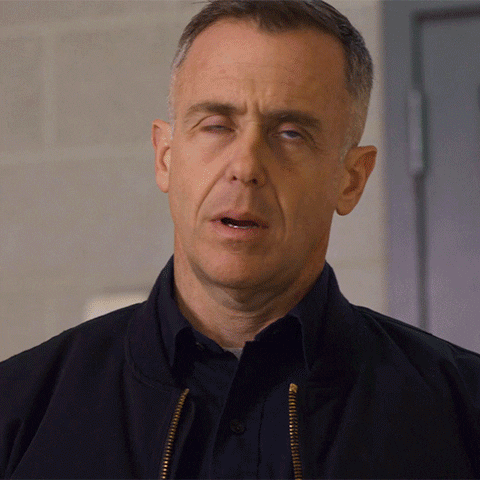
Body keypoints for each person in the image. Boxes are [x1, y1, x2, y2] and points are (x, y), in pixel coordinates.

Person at [1, 0, 479, 478]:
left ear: (351, 179)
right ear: (166, 157)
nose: (246, 166)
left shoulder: (464, 414)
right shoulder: (17, 412)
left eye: (290, 133)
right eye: (216, 126)